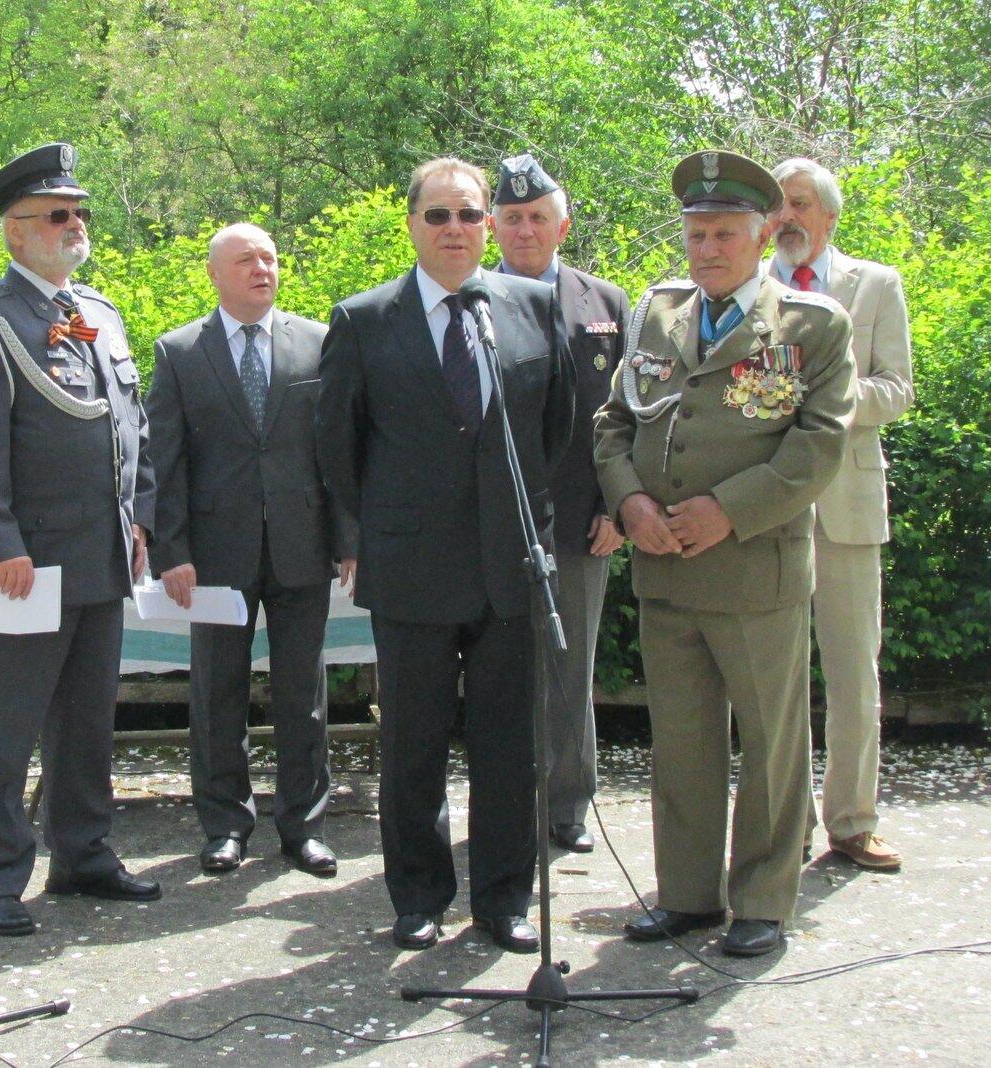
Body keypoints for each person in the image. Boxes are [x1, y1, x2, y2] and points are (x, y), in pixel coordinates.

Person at [595, 150, 855, 957]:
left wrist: (727, 512)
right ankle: (688, 894)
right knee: (682, 742)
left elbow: (818, 447)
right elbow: (614, 422)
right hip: (666, 565)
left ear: (763, 234)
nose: (706, 249)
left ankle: (764, 901)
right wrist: (630, 502)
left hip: (752, 571)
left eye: (723, 234)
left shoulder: (812, 325)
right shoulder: (660, 313)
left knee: (772, 745)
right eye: (696, 234)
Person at [317, 156, 574, 952]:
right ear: (411, 226)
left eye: (469, 214)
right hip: (411, 568)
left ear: (488, 224)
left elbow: (557, 425)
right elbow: (337, 449)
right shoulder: (364, 319)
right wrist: (380, 529)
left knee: (510, 748)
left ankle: (504, 900)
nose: (455, 228)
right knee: (414, 749)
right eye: (438, 215)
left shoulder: (532, 306)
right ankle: (419, 897)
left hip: (511, 565)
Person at [0, 143, 157, 938]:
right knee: (5, 726)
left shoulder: (99, 311)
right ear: (16, 231)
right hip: (24, 564)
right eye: (58, 214)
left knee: (87, 724)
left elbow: (132, 428)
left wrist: (140, 519)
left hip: (100, 555)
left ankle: (83, 854)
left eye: (80, 212)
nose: (76, 225)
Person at [145, 224, 343, 877]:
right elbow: (164, 462)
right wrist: (171, 550)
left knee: (303, 695)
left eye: (269, 258)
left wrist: (347, 539)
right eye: (246, 260)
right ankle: (225, 825)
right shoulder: (180, 352)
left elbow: (338, 452)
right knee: (217, 693)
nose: (262, 269)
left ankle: (303, 826)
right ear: (214, 273)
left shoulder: (317, 342)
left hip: (302, 546)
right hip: (214, 554)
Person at [769, 156, 914, 872]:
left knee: (854, 671)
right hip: (767, 504)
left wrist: (826, 402)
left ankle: (853, 821)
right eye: (778, 204)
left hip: (848, 506)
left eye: (800, 203)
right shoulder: (749, 286)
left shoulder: (875, 284)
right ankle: (783, 826)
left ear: (829, 215)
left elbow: (898, 389)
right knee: (776, 678)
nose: (787, 217)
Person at [490, 153, 629, 854]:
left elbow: (629, 417)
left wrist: (618, 507)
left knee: (570, 666)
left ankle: (568, 803)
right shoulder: (469, 298)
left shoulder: (606, 303)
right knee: (500, 670)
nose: (525, 229)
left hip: (580, 519)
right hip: (491, 520)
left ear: (563, 225)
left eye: (538, 217)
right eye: (512, 218)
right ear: (492, 227)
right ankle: (506, 806)